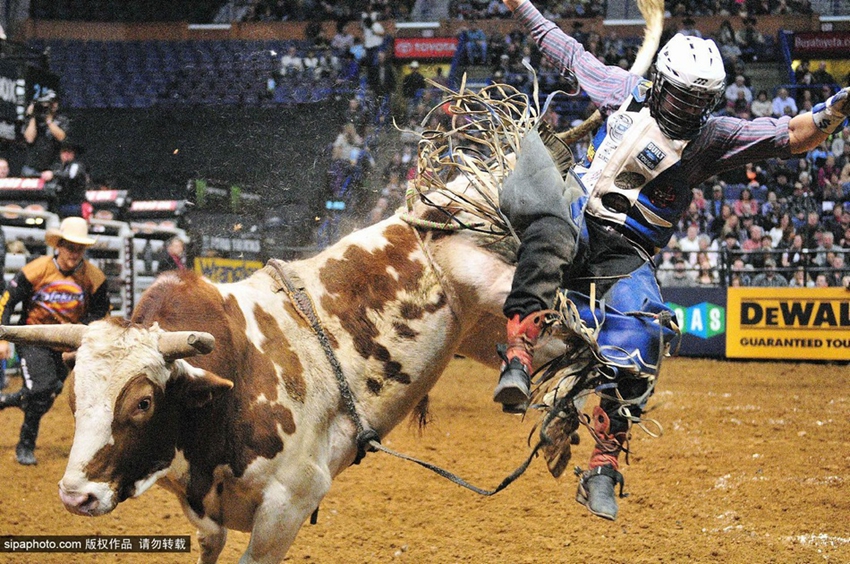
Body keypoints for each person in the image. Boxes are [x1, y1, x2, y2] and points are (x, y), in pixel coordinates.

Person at [495, 0, 850, 522]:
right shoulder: (622, 90)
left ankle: (603, 462)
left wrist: (836, 108)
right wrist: (522, 7)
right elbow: (565, 51)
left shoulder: (714, 138)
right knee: (548, 234)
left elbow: (791, 135)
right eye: (682, 98)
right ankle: (518, 357)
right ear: (661, 84)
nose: (686, 110)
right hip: (576, 218)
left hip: (627, 252)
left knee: (647, 331)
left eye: (696, 102)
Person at [0, 217, 109, 465]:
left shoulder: (93, 277)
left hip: (68, 346)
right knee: (42, 389)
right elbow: (7, 299)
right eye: (70, 247)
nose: (74, 253)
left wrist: (84, 332)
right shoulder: (37, 269)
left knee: (46, 396)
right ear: (58, 245)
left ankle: (8, 400)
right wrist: (2, 337)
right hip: (35, 338)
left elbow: (101, 312)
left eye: (79, 248)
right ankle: (24, 445)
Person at [21, 90, 69, 177]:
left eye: (54, 102)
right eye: (48, 103)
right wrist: (33, 116)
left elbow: (61, 137)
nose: (53, 105)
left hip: (53, 166)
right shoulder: (33, 120)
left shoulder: (62, 119)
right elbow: (29, 139)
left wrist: (49, 120)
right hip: (32, 167)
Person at [42, 140, 89, 218]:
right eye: (64, 152)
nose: (66, 154)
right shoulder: (58, 167)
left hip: (75, 204)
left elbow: (71, 175)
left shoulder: (76, 165)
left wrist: (53, 174)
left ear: (73, 154)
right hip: (61, 203)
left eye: (69, 152)